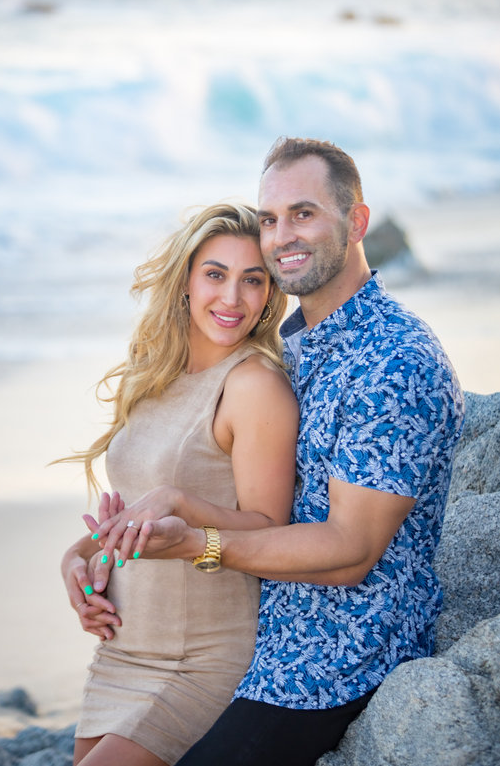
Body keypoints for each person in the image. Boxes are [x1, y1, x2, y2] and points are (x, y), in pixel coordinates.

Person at [97, 138, 465, 766]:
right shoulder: (298, 349)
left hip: (333, 661)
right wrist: (97, 550)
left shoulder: (394, 361)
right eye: (269, 219)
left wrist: (197, 543)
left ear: (357, 222)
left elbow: (350, 552)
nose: (281, 236)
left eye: (304, 213)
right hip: (255, 638)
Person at [59, 202, 299, 766]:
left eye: (253, 280)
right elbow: (136, 512)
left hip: (200, 660)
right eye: (216, 274)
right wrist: (78, 559)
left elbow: (272, 529)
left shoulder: (253, 385)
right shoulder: (154, 374)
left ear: (270, 293)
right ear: (186, 281)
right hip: (122, 652)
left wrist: (181, 504)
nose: (232, 298)